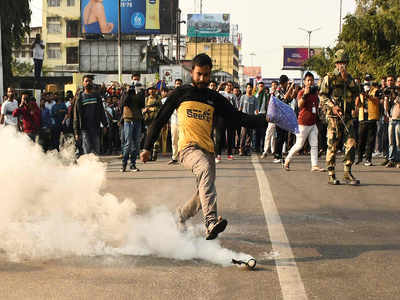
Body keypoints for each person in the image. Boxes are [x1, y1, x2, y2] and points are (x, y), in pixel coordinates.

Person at [140, 53, 269, 240]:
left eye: (206, 75)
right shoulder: (181, 93)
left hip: (207, 150)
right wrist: (146, 146)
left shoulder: (214, 97)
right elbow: (160, 118)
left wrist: (265, 118)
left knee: (204, 194)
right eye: (199, 74)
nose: (202, 79)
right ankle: (210, 221)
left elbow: (239, 118)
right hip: (187, 149)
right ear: (192, 72)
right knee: (205, 170)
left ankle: (181, 216)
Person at [319, 49, 360, 185]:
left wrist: (355, 105)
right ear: (336, 64)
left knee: (351, 142)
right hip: (333, 117)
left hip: (347, 116)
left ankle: (347, 172)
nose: (342, 65)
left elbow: (356, 93)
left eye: (344, 63)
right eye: (340, 63)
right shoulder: (329, 78)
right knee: (332, 145)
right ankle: (331, 173)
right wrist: (332, 106)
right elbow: (322, 95)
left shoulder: (349, 78)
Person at [283, 72, 325, 172]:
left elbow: (318, 104)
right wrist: (305, 95)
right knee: (299, 145)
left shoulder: (315, 93)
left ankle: (314, 165)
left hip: (313, 123)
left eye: (311, 80)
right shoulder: (301, 92)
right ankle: (287, 159)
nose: (310, 82)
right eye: (308, 80)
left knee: (314, 144)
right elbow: (299, 105)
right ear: (304, 82)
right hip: (303, 123)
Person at [73, 75, 109, 155]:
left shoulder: (96, 96)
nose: (88, 83)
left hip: (95, 127)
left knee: (96, 150)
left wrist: (105, 125)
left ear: (92, 83)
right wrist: (76, 132)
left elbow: (101, 111)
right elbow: (76, 115)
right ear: (83, 83)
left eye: (89, 81)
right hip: (84, 128)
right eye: (86, 81)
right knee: (87, 151)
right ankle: (88, 167)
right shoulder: (80, 97)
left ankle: (95, 167)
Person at [355, 76, 380, 166]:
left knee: (370, 140)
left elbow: (377, 101)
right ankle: (359, 158)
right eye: (366, 80)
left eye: (368, 80)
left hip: (371, 118)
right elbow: (357, 104)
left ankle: (368, 159)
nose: (367, 82)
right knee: (361, 140)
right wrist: (358, 97)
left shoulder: (375, 90)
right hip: (362, 118)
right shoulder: (361, 91)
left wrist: (368, 96)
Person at [120, 84, 145, 172]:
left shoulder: (140, 94)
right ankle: (124, 164)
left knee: (136, 143)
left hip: (137, 119)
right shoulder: (125, 93)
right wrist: (127, 92)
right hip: (128, 119)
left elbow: (142, 105)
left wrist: (140, 93)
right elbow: (122, 104)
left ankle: (132, 165)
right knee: (128, 143)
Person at [384, 76, 400, 168]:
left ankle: (398, 160)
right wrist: (386, 98)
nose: (399, 83)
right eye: (398, 81)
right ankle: (391, 160)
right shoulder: (390, 92)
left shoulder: (397, 94)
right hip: (391, 120)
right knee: (391, 142)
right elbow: (386, 108)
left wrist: (395, 97)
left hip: (399, 120)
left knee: (398, 142)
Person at [142, 86, 162, 161]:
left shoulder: (158, 98)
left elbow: (160, 108)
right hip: (148, 120)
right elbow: (143, 108)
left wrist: (151, 109)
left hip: (156, 119)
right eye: (150, 89)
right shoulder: (146, 99)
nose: (151, 91)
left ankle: (154, 153)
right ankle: (149, 155)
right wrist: (144, 110)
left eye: (153, 89)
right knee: (149, 137)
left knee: (155, 137)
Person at [261, 80, 278, 159]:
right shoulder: (268, 95)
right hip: (270, 117)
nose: (274, 86)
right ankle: (265, 151)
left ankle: (273, 150)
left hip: (277, 117)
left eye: (275, 85)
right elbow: (266, 105)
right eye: (273, 85)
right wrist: (267, 114)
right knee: (268, 134)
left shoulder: (279, 95)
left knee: (274, 135)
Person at [239, 83, 257, 155]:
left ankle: (247, 149)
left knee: (250, 135)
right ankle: (241, 149)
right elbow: (240, 108)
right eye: (248, 87)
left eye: (250, 88)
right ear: (246, 88)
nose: (249, 89)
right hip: (244, 118)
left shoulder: (254, 98)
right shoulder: (243, 97)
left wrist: (256, 117)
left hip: (251, 118)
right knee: (243, 134)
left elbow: (256, 109)